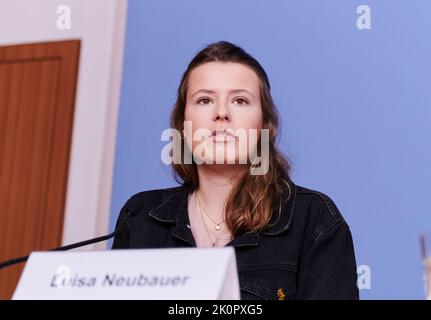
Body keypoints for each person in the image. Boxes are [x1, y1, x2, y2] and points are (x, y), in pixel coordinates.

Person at [112, 41, 359, 300]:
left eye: (240, 100)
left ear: (265, 126)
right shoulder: (139, 217)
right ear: (182, 124)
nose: (221, 113)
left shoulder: (313, 219)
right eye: (205, 100)